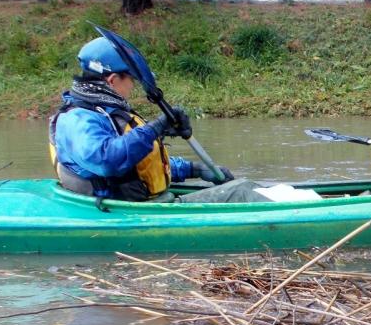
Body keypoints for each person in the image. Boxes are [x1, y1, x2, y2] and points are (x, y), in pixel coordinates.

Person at [49, 36, 237, 203]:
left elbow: (138, 166)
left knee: (239, 189)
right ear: (113, 80)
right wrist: (154, 129)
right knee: (240, 192)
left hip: (144, 203)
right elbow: (106, 160)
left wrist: (193, 169)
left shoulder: (105, 110)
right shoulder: (77, 118)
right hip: (120, 212)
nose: (133, 85)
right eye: (131, 79)